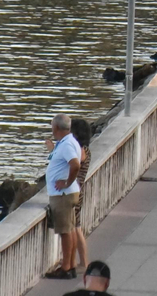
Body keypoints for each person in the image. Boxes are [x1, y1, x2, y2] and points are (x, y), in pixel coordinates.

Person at [43, 114, 83, 279]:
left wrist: (67, 182)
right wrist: (53, 151)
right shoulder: (69, 142)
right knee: (71, 229)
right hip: (68, 192)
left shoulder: (66, 145)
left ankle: (66, 267)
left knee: (65, 231)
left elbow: (75, 165)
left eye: (52, 126)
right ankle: (71, 264)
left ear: (57, 128)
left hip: (63, 195)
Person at [69, 117, 93, 274]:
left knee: (75, 228)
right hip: (79, 192)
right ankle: (83, 261)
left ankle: (83, 262)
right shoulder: (86, 149)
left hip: (74, 193)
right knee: (76, 227)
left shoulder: (80, 151)